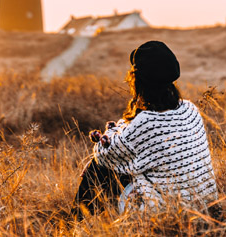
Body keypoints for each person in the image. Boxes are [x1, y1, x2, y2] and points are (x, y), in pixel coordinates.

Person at [73, 40, 218, 216]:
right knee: (119, 160)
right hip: (204, 207)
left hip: (167, 213)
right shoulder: (189, 109)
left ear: (138, 80)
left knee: (100, 167)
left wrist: (109, 133)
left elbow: (105, 154)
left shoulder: (147, 122)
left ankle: (75, 223)